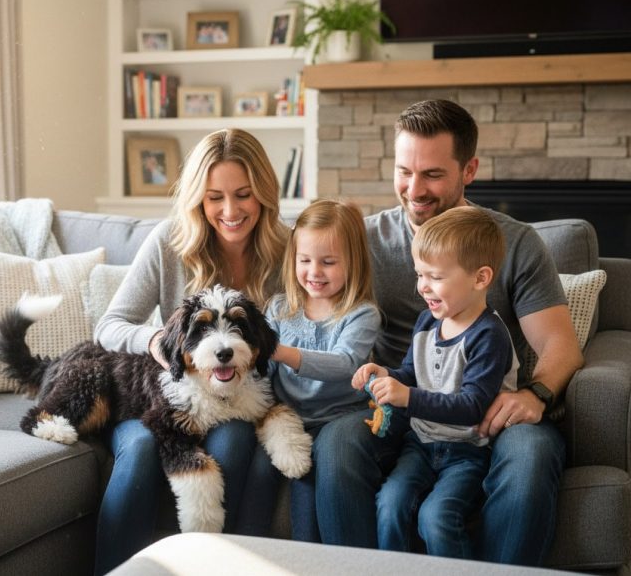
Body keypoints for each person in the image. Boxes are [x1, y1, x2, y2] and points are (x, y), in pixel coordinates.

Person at [314, 98, 583, 565]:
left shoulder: (514, 243)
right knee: (336, 444)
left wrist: (536, 394)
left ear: (469, 170)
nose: (414, 189)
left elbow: (559, 343)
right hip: (401, 407)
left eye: (433, 175)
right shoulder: (363, 242)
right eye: (404, 172)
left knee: (532, 454)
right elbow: (307, 304)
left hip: (487, 410)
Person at [92, 128, 289, 575]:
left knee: (235, 440)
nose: (230, 211)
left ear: (264, 193)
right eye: (215, 197)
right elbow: (110, 325)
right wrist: (156, 343)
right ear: (198, 198)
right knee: (141, 448)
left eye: (243, 195)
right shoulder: (170, 242)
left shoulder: (289, 250)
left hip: (240, 401)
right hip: (160, 402)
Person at [352, 206, 518, 558]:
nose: (423, 286)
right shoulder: (427, 322)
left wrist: (407, 397)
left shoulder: (489, 335)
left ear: (480, 278)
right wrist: (384, 375)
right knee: (390, 503)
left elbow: (473, 406)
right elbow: (410, 374)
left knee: (436, 517)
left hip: (468, 452)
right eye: (419, 274)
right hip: (421, 444)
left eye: (436, 277)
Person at [238, 198, 382, 540]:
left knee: (306, 482)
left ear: (353, 262)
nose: (314, 272)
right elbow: (264, 374)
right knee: (259, 472)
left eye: (328, 262)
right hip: (288, 418)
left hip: (339, 416)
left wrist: (283, 353)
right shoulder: (279, 309)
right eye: (305, 260)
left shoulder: (361, 315)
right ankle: (244, 551)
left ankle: (314, 558)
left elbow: (346, 363)